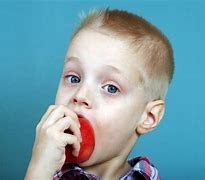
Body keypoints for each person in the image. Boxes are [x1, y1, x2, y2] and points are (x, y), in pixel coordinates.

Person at [25, 8, 174, 180]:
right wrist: (39, 169)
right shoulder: (46, 171)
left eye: (111, 88)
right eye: (74, 78)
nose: (80, 95)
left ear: (148, 116)